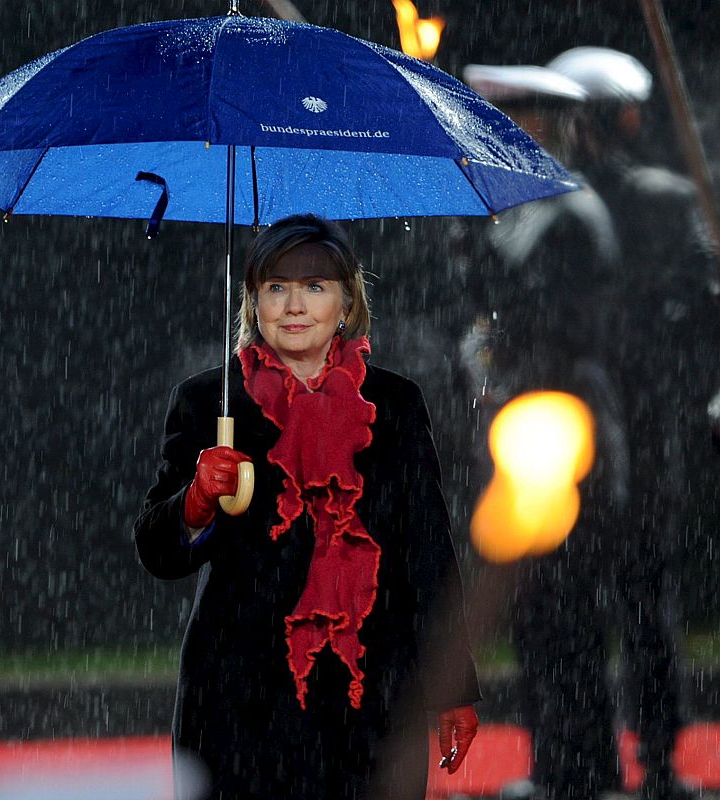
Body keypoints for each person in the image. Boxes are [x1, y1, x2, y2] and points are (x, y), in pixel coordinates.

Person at [134, 214, 482, 800]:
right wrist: (194, 503)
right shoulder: (209, 402)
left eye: (315, 286)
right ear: (253, 301)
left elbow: (426, 550)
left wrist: (452, 685)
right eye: (275, 286)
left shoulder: (394, 405)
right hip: (237, 693)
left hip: (370, 692)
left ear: (347, 301)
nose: (294, 305)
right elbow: (157, 550)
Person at [546, 46, 720, 800]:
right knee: (638, 600)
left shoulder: (556, 200)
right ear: (625, 115)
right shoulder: (658, 198)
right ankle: (645, 762)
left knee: (581, 601)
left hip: (584, 419)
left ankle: (583, 760)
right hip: (631, 417)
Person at [459, 65, 632, 800]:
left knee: (564, 612)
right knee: (541, 613)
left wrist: (496, 353)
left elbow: (554, 333)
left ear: (539, 124)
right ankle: (562, 760)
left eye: (514, 118)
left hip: (558, 428)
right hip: (528, 427)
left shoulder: (562, 212)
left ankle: (576, 765)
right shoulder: (516, 210)